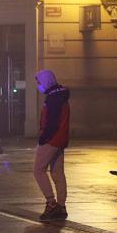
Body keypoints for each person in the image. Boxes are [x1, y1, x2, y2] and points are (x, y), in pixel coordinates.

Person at [33, 69, 70, 221]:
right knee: (57, 173)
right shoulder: (61, 96)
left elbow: (51, 123)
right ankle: (61, 206)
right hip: (61, 140)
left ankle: (51, 203)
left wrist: (43, 139)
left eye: (39, 82)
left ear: (46, 81)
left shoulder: (53, 99)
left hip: (51, 140)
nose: (39, 85)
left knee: (38, 170)